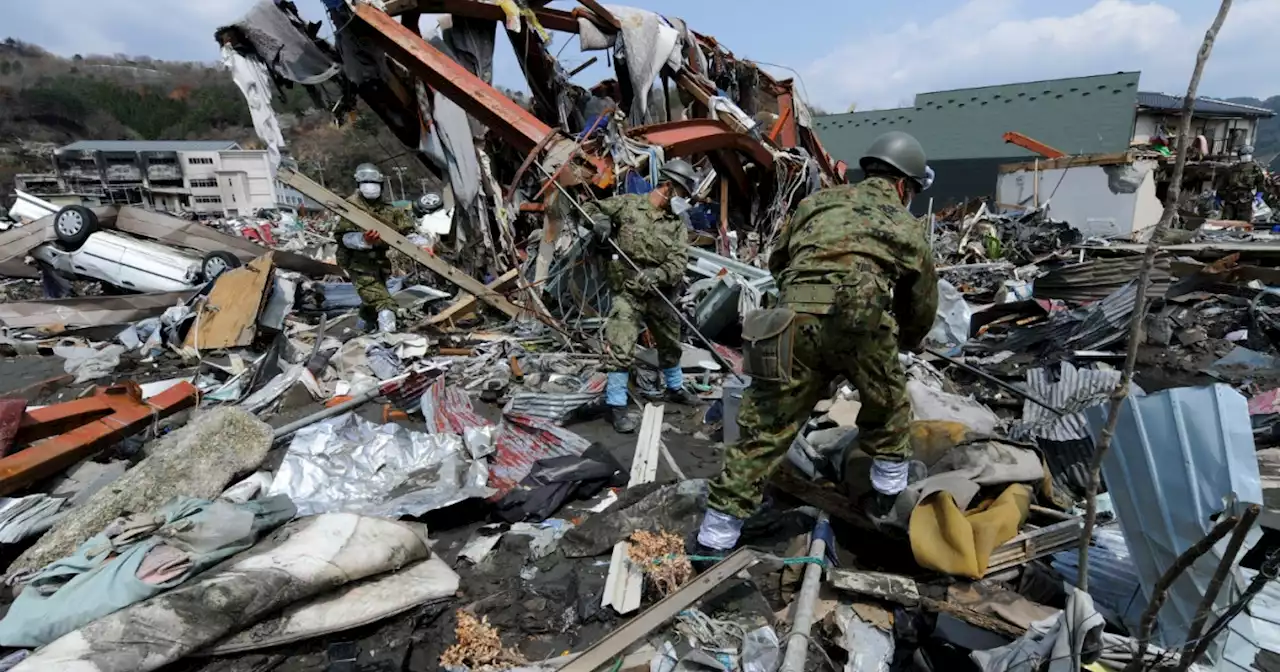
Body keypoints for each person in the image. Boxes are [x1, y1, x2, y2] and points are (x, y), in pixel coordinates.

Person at [694, 131, 939, 554]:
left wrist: (805, 299)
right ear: (903, 185)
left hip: (793, 322)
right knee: (889, 409)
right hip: (863, 327)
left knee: (766, 426)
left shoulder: (817, 203)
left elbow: (779, 261)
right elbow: (920, 300)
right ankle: (885, 502)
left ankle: (714, 537)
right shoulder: (905, 224)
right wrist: (907, 341)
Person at [586, 158, 701, 433]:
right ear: (668, 186)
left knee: (670, 342)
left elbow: (677, 263)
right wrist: (599, 221)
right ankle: (617, 405)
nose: (683, 200)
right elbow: (588, 208)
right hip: (627, 292)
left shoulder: (676, 226)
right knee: (621, 345)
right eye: (682, 193)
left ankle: (674, 387)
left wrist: (658, 275)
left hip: (657, 293)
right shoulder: (627, 205)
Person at [335, 163, 416, 333]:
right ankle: (388, 341)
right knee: (384, 303)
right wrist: (364, 240)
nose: (371, 187)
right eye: (366, 183)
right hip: (358, 264)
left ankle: (361, 332)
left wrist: (422, 246)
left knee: (371, 301)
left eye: (374, 183)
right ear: (358, 185)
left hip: (379, 264)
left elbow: (408, 232)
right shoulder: (351, 209)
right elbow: (344, 237)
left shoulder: (388, 210)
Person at [1220, 145, 1266, 222]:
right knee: (1226, 221)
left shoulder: (1255, 169)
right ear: (1240, 156)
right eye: (1244, 154)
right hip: (1231, 198)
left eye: (1249, 154)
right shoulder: (1232, 169)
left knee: (1243, 222)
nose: (1247, 156)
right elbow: (1223, 184)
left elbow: (1260, 183)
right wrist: (1219, 197)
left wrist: (1259, 196)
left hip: (1246, 199)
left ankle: (1243, 233)